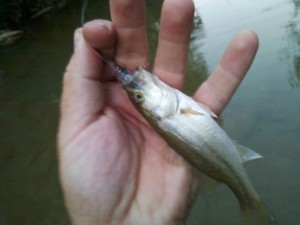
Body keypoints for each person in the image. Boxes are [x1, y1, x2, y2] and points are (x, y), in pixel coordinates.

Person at [57, 0, 259, 224]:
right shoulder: (171, 112)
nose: (138, 89)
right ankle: (250, 203)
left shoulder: (172, 108)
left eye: (138, 95)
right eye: (139, 96)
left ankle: (250, 203)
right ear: (155, 112)